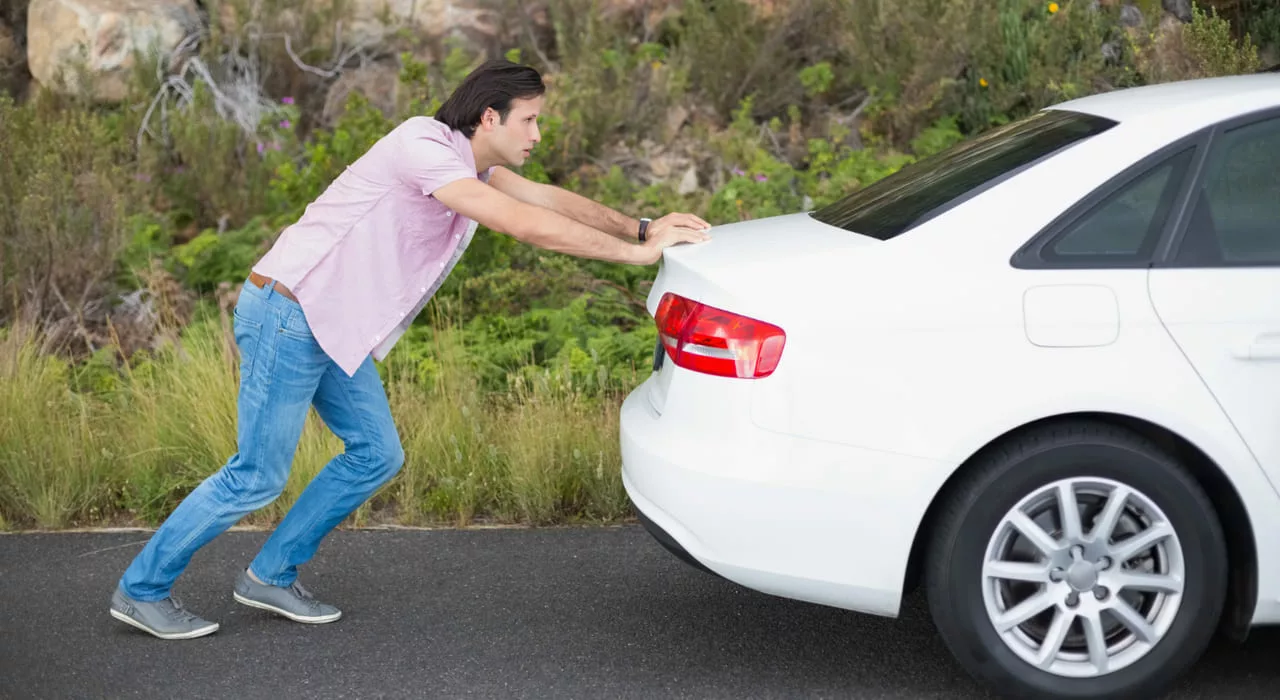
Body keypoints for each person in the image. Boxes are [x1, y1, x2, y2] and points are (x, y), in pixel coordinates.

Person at [108, 58, 711, 639]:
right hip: (291, 312)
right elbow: (523, 224)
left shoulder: (472, 166)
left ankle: (270, 575)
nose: (538, 132)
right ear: (490, 119)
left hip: (333, 326)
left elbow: (545, 201)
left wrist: (641, 228)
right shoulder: (422, 146)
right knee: (257, 474)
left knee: (375, 454)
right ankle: (142, 590)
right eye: (530, 118)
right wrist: (636, 257)